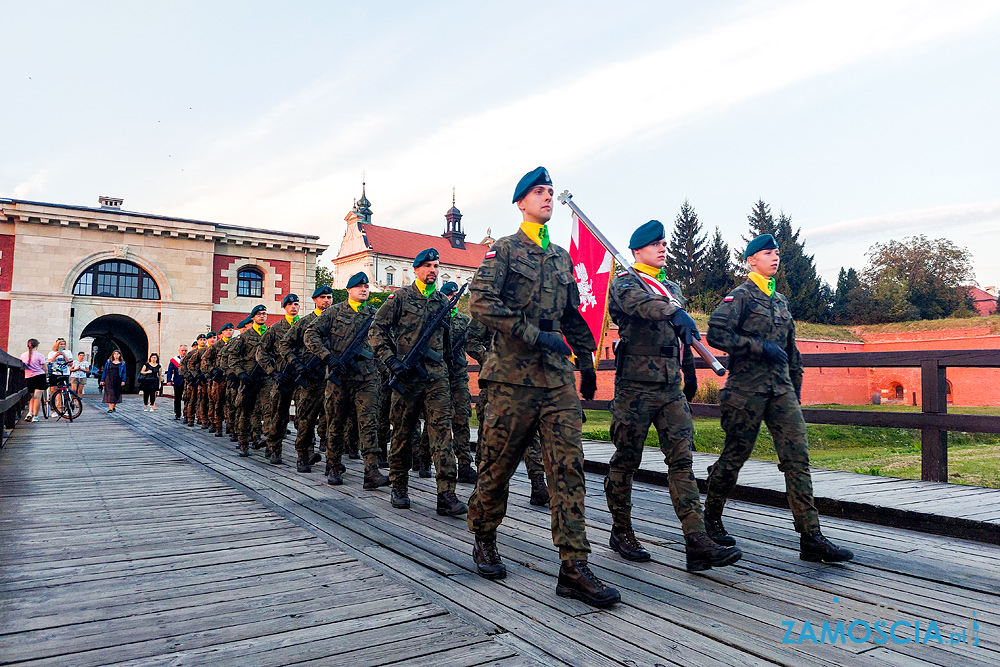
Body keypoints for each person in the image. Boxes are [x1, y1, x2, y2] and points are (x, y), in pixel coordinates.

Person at [467, 167, 618, 607]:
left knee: (568, 467)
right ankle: (484, 535)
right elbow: (480, 303)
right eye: (539, 192)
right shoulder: (504, 251)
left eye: (551, 191)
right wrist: (534, 335)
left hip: (556, 378)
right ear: (521, 203)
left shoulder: (561, 257)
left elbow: (573, 316)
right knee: (497, 465)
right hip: (512, 377)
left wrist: (587, 360)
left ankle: (573, 564)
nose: (548, 198)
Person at [705, 233, 854, 563]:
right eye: (767, 253)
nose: (774, 257)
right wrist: (758, 347)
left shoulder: (782, 301)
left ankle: (810, 537)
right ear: (750, 261)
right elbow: (716, 334)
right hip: (746, 391)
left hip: (781, 391)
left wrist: (796, 390)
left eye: (776, 252)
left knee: (797, 458)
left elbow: (791, 351)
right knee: (734, 458)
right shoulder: (740, 296)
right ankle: (711, 518)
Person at [604, 219, 742, 572]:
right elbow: (644, 307)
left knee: (681, 461)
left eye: (664, 243)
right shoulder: (625, 285)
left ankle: (697, 542)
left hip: (669, 388)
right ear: (637, 251)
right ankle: (621, 530)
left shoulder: (672, 287)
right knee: (626, 460)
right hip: (634, 387)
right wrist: (674, 310)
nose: (662, 248)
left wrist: (690, 370)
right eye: (655, 245)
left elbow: (679, 333)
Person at [370, 248, 466, 517]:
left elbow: (447, 345)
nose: (432, 270)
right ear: (416, 269)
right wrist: (391, 361)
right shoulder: (400, 298)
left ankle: (446, 494)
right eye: (427, 266)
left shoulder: (441, 302)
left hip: (436, 378)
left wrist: (447, 369)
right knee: (402, 432)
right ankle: (399, 486)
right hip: (408, 377)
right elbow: (376, 330)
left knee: (442, 434)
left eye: (436, 265)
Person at [304, 272, 390, 489]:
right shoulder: (333, 312)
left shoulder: (374, 314)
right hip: (339, 379)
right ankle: (333, 465)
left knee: (369, 423)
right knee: (336, 423)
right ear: (349, 290)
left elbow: (384, 342)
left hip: (366, 378)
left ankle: (371, 470)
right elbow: (310, 335)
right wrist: (328, 357)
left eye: (366, 286)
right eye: (359, 286)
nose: (364, 289)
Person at [278, 287, 333, 472]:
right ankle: (303, 454)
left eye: (329, 297)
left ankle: (333, 460)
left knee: (333, 419)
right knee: (306, 419)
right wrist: (296, 364)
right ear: (315, 300)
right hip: (311, 378)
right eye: (323, 297)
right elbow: (284, 345)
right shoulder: (304, 323)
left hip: (332, 378)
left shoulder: (336, 320)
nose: (327, 300)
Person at [257, 295, 300, 464]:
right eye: (289, 304)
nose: (293, 307)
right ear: (284, 308)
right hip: (281, 376)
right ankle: (274, 448)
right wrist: (272, 372)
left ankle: (305, 453)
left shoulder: (305, 325)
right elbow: (261, 353)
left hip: (300, 376)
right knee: (279, 415)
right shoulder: (275, 329)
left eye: (296, 304)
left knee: (304, 415)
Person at [230, 306, 268, 456]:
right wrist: (240, 374)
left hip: (265, 378)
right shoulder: (245, 336)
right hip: (248, 378)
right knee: (245, 411)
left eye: (264, 314)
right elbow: (233, 357)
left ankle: (264, 441)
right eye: (259, 314)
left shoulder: (270, 333)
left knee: (266, 410)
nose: (262, 316)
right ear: (253, 318)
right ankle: (244, 441)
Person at [20, 339, 47, 422]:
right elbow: (45, 368)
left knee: (32, 396)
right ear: (37, 346)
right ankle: (35, 416)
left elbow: (21, 365)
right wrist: (47, 374)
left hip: (28, 377)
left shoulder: (23, 355)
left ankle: (29, 413)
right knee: (37, 397)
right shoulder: (39, 355)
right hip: (39, 376)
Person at [166, 345, 187, 420]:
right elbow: (170, 371)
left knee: (187, 399)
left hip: (187, 382)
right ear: (179, 351)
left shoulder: (189, 359)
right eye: (182, 350)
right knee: (177, 399)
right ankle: (177, 414)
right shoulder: (174, 360)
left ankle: (187, 414)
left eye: (185, 350)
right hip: (177, 382)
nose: (184, 352)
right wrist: (169, 380)